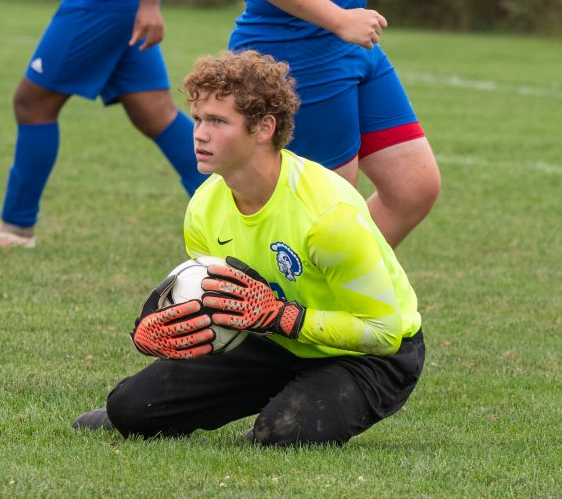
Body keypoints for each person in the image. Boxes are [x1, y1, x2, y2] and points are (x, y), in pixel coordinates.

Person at [73, 50, 425, 447]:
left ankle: (280, 416)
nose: (200, 134)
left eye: (218, 121)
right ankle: (280, 399)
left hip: (372, 357)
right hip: (272, 338)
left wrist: (282, 317)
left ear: (263, 128)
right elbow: (221, 305)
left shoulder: (327, 215)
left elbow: (385, 332)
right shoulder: (204, 208)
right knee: (131, 410)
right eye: (198, 120)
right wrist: (164, 326)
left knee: (284, 432)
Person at [0, 0, 207, 248]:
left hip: (100, 6)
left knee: (32, 104)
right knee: (156, 113)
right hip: (121, 7)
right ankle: (227, 210)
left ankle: (16, 226)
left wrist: (150, 4)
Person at [227, 0, 441, 248]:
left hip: (355, 39)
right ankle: (302, 283)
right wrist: (339, 20)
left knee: (413, 186)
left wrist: (345, 20)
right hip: (297, 50)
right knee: (330, 211)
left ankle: (340, 280)